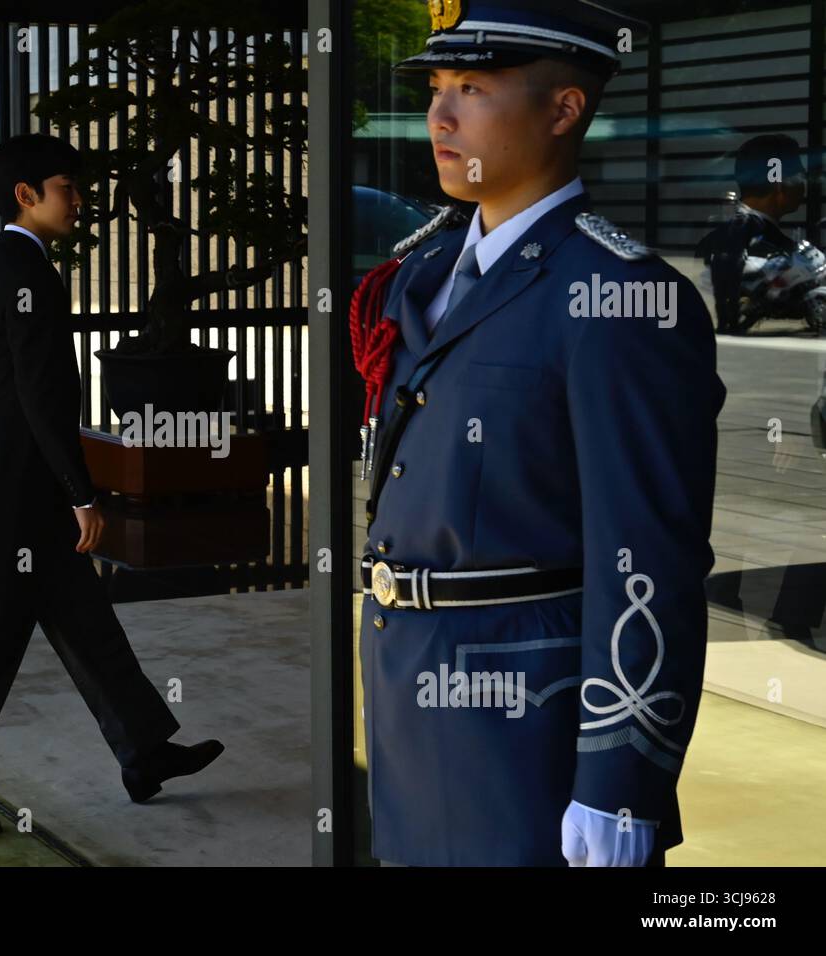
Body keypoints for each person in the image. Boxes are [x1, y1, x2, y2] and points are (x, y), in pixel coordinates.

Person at [352, 0, 725, 866]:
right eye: (438, 88)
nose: (440, 117)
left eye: (473, 88)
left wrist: (619, 782)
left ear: (565, 110)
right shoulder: (429, 276)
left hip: (527, 726)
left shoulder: (620, 299)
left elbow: (648, 561)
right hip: (410, 696)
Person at [0, 133, 223, 844]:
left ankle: (143, 752)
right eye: (67, 186)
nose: (80, 198)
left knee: (81, 616)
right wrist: (81, 491)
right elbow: (40, 395)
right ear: (26, 196)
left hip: (12, 476)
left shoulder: (5, 265)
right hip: (17, 488)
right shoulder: (24, 271)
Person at [697, 134, 806, 334]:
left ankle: (727, 324)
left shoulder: (742, 222)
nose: (804, 184)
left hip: (730, 270)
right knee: (727, 298)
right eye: (800, 177)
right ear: (778, 185)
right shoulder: (749, 224)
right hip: (732, 271)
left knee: (726, 298)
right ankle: (727, 324)